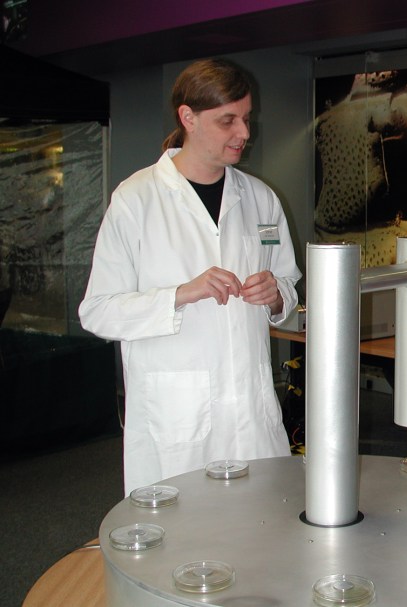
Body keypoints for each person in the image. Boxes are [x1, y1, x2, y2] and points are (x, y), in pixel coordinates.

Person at [79, 58, 302, 494]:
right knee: (181, 527)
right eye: (228, 120)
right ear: (188, 117)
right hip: (176, 419)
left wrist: (276, 294)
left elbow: (287, 285)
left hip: (251, 415)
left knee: (259, 523)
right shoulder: (136, 200)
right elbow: (98, 311)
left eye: (247, 118)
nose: (244, 133)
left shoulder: (261, 200)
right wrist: (180, 294)